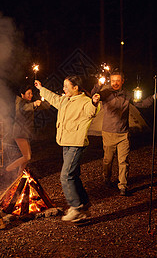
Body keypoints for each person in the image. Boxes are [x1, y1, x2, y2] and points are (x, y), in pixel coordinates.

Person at [35, 76, 100, 222]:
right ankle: (84, 205)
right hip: (65, 142)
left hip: (76, 143)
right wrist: (41, 89)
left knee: (65, 176)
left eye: (66, 86)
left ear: (75, 87)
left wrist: (95, 102)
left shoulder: (85, 101)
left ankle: (75, 207)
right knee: (73, 175)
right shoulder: (65, 100)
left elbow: (91, 111)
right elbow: (54, 98)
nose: (63, 88)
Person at [91, 70, 157, 196]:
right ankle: (106, 178)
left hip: (123, 133)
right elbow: (94, 96)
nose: (115, 83)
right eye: (113, 81)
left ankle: (123, 186)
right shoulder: (105, 93)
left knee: (123, 161)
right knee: (108, 160)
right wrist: (97, 87)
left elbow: (141, 104)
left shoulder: (127, 94)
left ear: (122, 81)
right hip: (108, 132)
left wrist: (154, 97)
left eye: (118, 81)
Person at [6, 85, 50, 174]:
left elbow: (42, 106)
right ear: (22, 94)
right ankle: (8, 169)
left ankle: (19, 175)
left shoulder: (27, 103)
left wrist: (50, 102)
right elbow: (24, 108)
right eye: (28, 93)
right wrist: (34, 104)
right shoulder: (20, 103)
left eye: (31, 93)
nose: (31, 95)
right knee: (27, 157)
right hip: (19, 133)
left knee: (26, 155)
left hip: (24, 133)